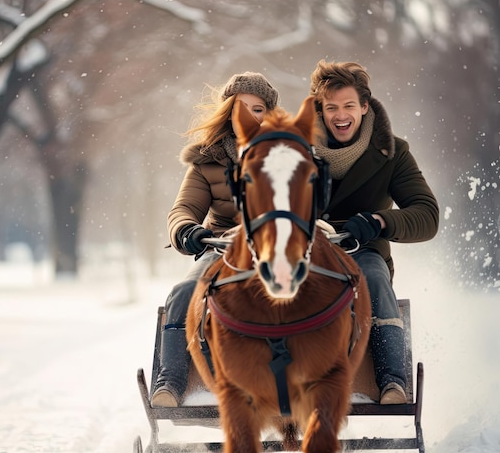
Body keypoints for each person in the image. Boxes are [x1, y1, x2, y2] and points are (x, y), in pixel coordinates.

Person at [309, 59, 439, 404]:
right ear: (319, 110)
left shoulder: (393, 152)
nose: (341, 115)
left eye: (349, 105)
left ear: (364, 107)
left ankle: (392, 384)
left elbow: (426, 215)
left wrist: (380, 221)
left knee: (373, 278)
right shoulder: (290, 148)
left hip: (362, 252)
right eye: (331, 107)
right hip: (300, 251)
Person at [151, 72, 280, 407]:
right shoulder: (205, 161)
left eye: (258, 109)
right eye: (240, 107)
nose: (248, 116)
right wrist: (188, 232)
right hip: (222, 247)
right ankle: (172, 383)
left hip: (280, 249)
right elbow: (182, 210)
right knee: (182, 292)